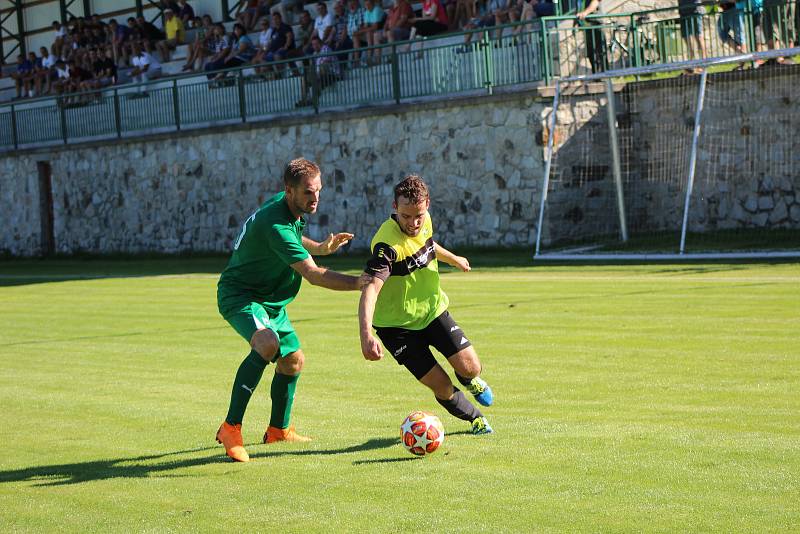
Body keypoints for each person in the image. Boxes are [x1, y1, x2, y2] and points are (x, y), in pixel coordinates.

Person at [215, 158, 364, 463]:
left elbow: (294, 240)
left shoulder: (285, 207)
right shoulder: (277, 223)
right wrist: (363, 283)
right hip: (242, 296)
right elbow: (313, 275)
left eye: (319, 191)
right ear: (289, 190)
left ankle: (277, 431)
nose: (316, 198)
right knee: (267, 343)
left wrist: (320, 248)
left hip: (270, 299)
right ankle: (230, 428)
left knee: (293, 361)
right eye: (309, 193)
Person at [358, 175, 494, 436]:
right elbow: (371, 289)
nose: (413, 223)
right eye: (406, 216)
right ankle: (475, 419)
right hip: (396, 328)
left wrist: (453, 259)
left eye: (418, 215)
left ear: (427, 204)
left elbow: (428, 245)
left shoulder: (424, 221)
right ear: (395, 207)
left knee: (471, 367)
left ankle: (470, 381)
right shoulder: (387, 245)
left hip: (432, 311)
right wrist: (366, 334)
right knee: (441, 385)